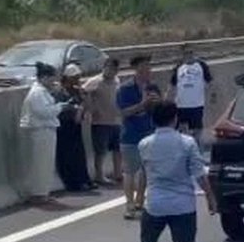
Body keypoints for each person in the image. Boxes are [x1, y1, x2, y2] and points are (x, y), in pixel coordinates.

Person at [122, 100, 217, 242]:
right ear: (175, 119)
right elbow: (199, 175)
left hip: (155, 204)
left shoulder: (144, 144)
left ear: (153, 120)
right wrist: (210, 198)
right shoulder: (187, 143)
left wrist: (139, 199)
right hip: (183, 205)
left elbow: (144, 174)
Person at [117, 55, 162, 220]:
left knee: (146, 170)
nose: (147, 70)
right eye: (144, 67)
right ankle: (129, 205)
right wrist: (142, 104)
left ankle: (140, 201)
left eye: (149, 66)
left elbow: (161, 110)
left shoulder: (153, 87)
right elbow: (124, 112)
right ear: (136, 69)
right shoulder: (125, 88)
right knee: (129, 171)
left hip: (149, 133)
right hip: (131, 135)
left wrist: (158, 102)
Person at [18, 63, 67, 205]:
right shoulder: (37, 93)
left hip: (47, 130)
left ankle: (43, 192)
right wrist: (60, 107)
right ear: (44, 77)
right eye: (52, 78)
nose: (53, 82)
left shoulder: (43, 92)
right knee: (40, 163)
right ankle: (37, 193)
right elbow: (43, 112)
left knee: (46, 163)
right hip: (41, 130)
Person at [54, 64, 95, 191]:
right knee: (67, 155)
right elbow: (59, 108)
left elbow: (87, 105)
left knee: (79, 153)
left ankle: (84, 179)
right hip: (63, 125)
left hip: (75, 125)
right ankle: (72, 183)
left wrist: (84, 100)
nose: (77, 80)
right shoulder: (60, 91)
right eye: (74, 77)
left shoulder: (78, 91)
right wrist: (73, 108)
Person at [83, 57, 123, 185]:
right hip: (100, 121)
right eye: (108, 67)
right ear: (104, 67)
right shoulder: (95, 81)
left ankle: (118, 173)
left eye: (114, 69)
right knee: (101, 150)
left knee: (118, 148)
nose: (111, 71)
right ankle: (99, 175)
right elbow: (83, 92)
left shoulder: (117, 81)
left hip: (116, 120)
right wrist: (90, 109)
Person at [170, 44, 213, 148]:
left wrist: (213, 95)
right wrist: (167, 100)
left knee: (196, 132)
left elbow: (210, 82)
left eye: (191, 52)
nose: (189, 55)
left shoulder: (201, 65)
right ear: (182, 54)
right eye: (186, 53)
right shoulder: (178, 67)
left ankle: (197, 150)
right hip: (181, 105)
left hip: (196, 105)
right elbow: (172, 85)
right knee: (181, 132)